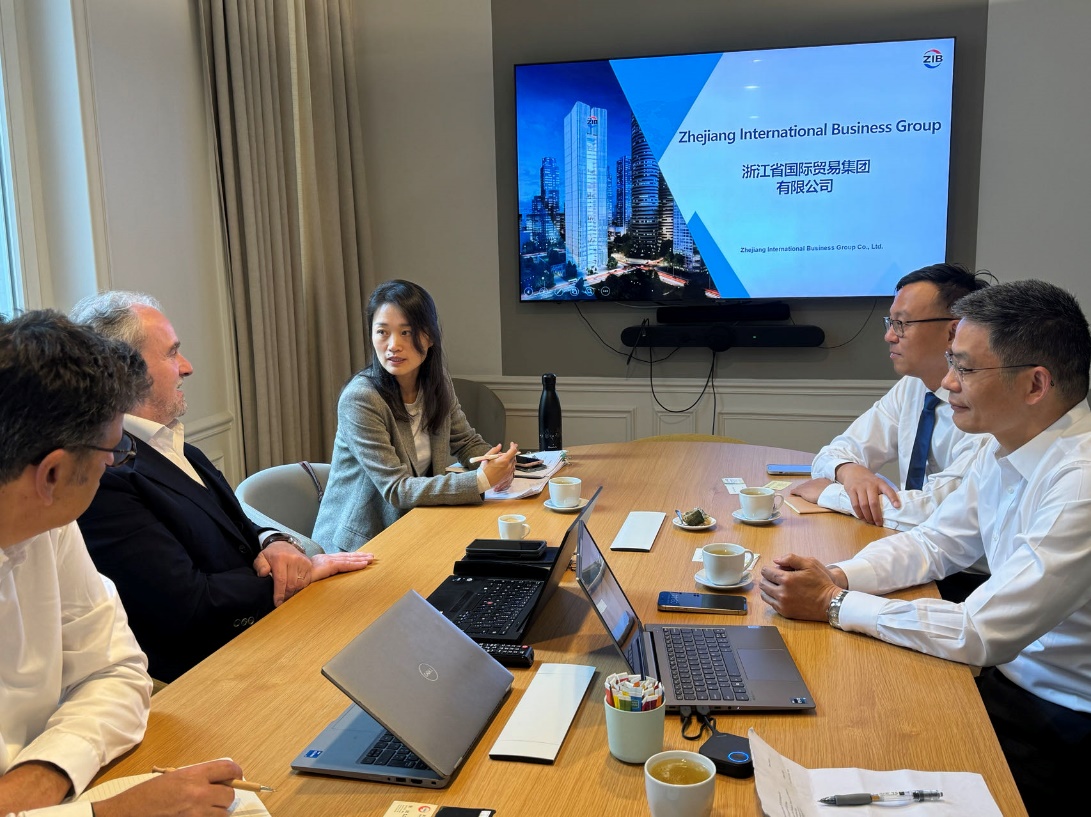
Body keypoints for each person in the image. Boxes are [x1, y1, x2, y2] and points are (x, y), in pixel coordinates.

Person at [758, 280, 1091, 816]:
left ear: (1035, 384)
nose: (949, 382)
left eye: (966, 368)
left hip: (1061, 722)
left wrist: (831, 603)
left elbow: (980, 632)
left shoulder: (1080, 482)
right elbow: (936, 543)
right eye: (952, 363)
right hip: (1004, 682)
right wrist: (837, 575)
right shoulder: (1011, 443)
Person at [0, 310, 244, 816]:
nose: (113, 461)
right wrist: (110, 813)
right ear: (52, 474)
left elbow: (118, 671)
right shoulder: (52, 513)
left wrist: (45, 774)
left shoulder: (49, 522)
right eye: (113, 449)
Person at [70, 292, 374, 683]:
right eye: (172, 353)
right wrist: (301, 573)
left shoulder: (175, 445)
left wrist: (273, 541)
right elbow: (189, 604)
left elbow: (238, 524)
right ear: (124, 371)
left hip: (263, 631)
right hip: (213, 669)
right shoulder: (105, 476)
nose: (187, 366)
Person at [791, 264, 992, 601]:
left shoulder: (987, 407)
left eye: (902, 323)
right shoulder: (912, 387)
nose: (889, 336)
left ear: (953, 331)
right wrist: (848, 470)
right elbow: (834, 452)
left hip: (969, 580)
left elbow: (937, 513)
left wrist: (832, 494)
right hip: (910, 550)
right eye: (891, 322)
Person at [313, 280, 517, 551]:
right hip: (358, 545)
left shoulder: (437, 382)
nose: (393, 345)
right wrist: (481, 480)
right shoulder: (361, 398)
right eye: (382, 332)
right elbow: (397, 489)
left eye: (406, 332)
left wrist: (498, 463)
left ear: (429, 336)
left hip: (416, 527)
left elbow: (466, 443)